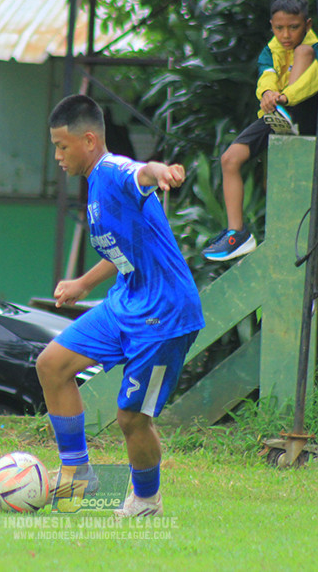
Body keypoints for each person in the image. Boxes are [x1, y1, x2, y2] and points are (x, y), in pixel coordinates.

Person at [37, 94, 205, 518]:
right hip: (127, 302)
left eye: (61, 146)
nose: (57, 155)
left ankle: (146, 500)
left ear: (89, 140)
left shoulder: (111, 171)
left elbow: (140, 172)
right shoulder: (95, 185)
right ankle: (78, 473)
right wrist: (81, 283)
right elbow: (121, 251)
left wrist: (160, 171)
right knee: (51, 365)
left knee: (132, 417)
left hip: (164, 316)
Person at [203, 0, 318, 261]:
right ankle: (237, 233)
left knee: (303, 53)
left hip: (306, 113)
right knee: (229, 159)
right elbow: (266, 77)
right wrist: (268, 94)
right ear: (271, 26)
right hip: (277, 113)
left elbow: (315, 79)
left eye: (293, 27)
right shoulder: (270, 51)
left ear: (308, 24)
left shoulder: (316, 48)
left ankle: (287, 118)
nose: (286, 35)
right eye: (279, 28)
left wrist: (286, 97)